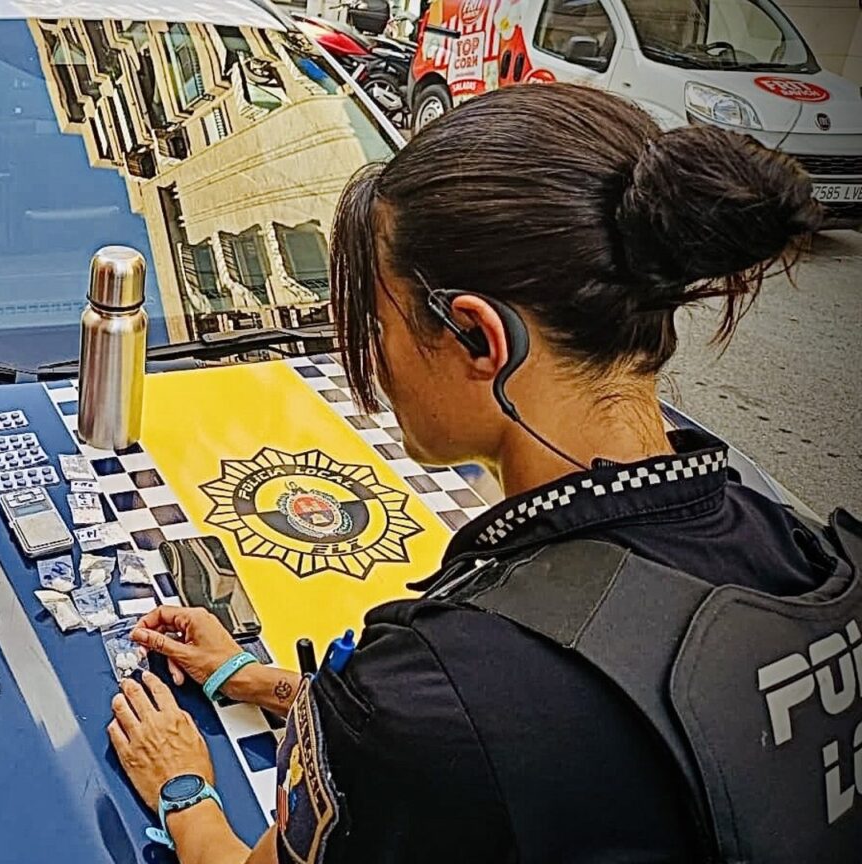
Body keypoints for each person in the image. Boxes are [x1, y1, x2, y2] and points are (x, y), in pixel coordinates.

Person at [105, 83, 859, 862]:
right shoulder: (785, 540)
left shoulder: (438, 688)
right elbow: (591, 745)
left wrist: (183, 787)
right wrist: (259, 679)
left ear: (477, 337)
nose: (376, 362)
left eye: (380, 323)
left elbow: (459, 735)